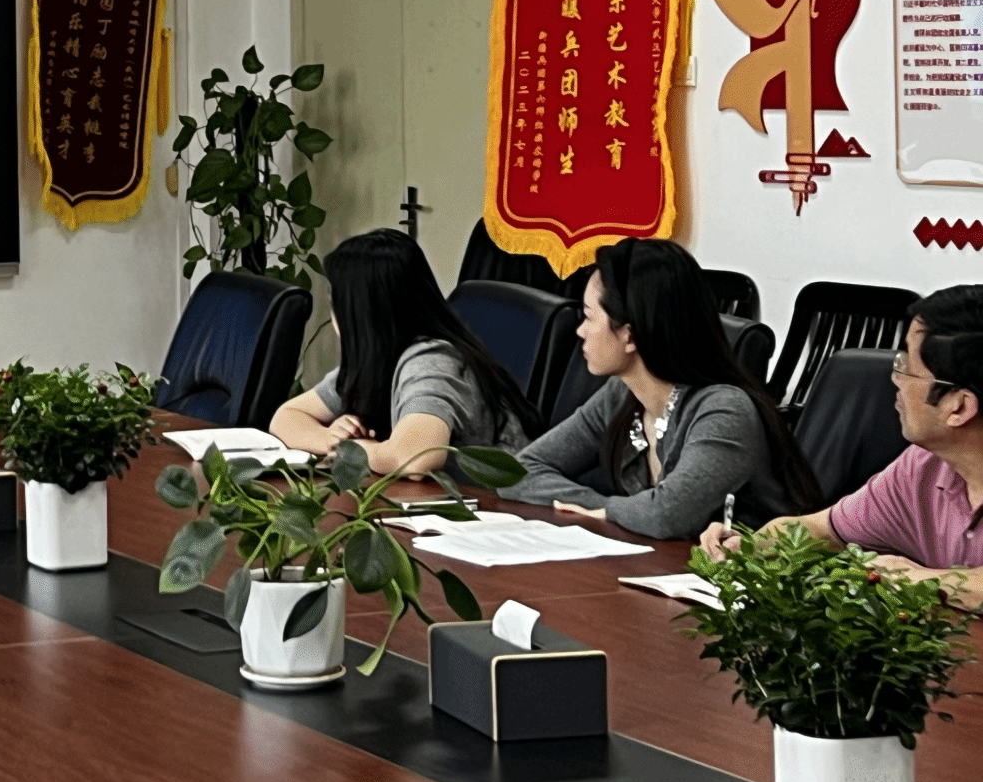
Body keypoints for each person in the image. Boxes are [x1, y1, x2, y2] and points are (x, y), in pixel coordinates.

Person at [508, 237, 819, 540]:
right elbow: (517, 472)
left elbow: (666, 516)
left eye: (589, 317)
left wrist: (608, 511)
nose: (580, 330)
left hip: (750, 573)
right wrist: (603, 509)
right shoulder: (621, 395)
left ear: (630, 336)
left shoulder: (725, 411)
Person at [699, 285, 983, 610]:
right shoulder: (922, 467)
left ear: (959, 407)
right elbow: (822, 529)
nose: (895, 379)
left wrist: (914, 579)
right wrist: (748, 546)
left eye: (907, 368)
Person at [270, 228, 539, 476]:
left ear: (358, 313)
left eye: (335, 303)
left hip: (506, 505)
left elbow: (414, 459)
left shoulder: (431, 361)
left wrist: (356, 450)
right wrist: (331, 438)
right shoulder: (378, 360)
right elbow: (285, 418)